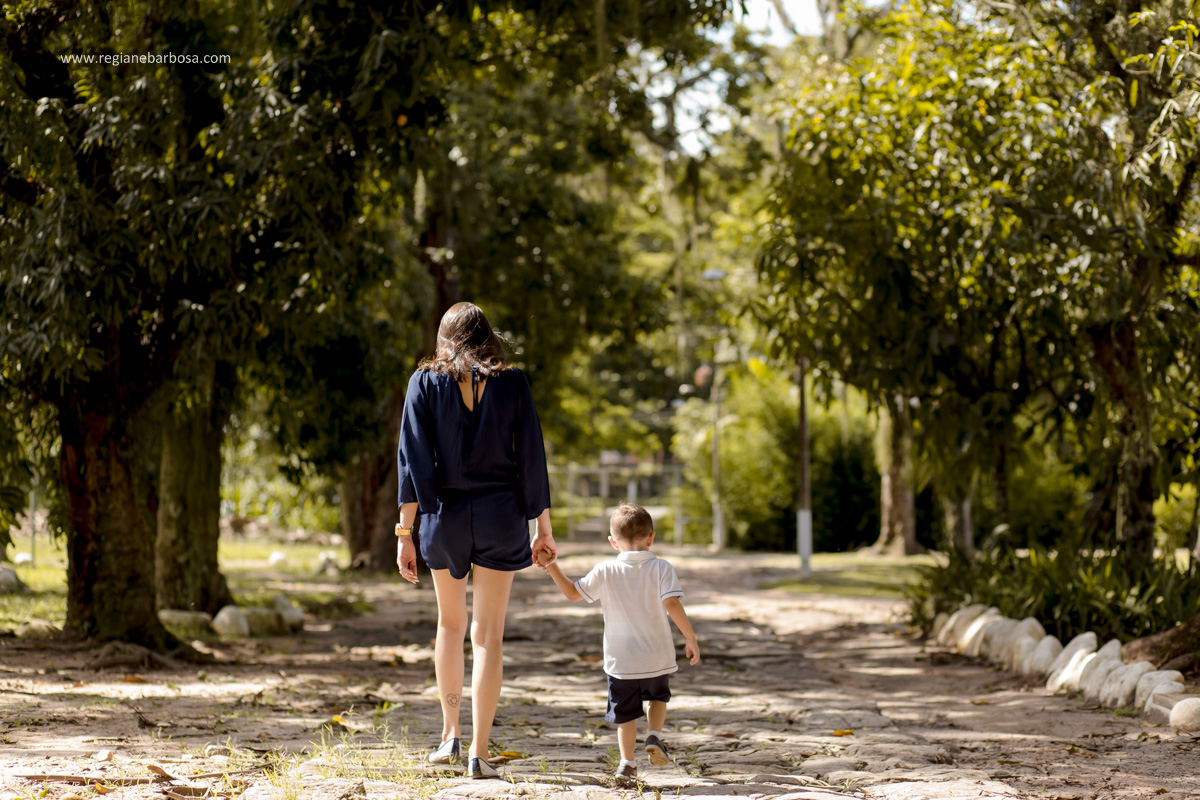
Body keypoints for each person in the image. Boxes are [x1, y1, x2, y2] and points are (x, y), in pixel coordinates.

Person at [396, 301, 557, 779]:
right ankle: (479, 753)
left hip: (443, 515)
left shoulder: (423, 383)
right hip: (500, 515)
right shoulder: (512, 382)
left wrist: (405, 533)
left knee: (450, 626)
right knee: (488, 636)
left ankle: (450, 736)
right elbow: (531, 458)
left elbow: (413, 460)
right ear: (488, 335)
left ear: (444, 335)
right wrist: (541, 530)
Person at [539, 503, 700, 784]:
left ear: (613, 542)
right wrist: (690, 637)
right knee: (658, 697)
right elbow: (672, 603)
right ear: (651, 537)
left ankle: (627, 764)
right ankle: (655, 735)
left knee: (625, 714)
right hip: (656, 655)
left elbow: (573, 594)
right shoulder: (662, 567)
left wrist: (552, 565)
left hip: (621, 661)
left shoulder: (605, 570)